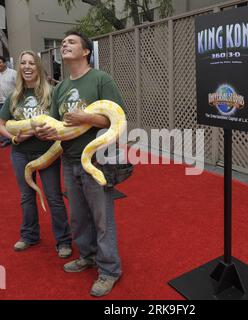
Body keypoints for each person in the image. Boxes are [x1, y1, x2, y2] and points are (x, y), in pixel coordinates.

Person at [35, 31, 125, 297]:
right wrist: (45, 132)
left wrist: (85, 118)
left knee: (102, 218)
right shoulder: (61, 87)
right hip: (69, 158)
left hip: (97, 160)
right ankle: (87, 255)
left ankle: (109, 270)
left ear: (86, 51)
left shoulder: (100, 79)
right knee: (79, 216)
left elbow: (117, 119)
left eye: (71, 42)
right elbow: (57, 123)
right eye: (63, 42)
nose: (64, 44)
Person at [0, 50, 72, 258]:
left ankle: (63, 240)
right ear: (20, 68)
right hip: (20, 154)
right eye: (23, 63)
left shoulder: (52, 93)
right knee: (26, 196)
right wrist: (14, 138)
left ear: (38, 67)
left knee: (54, 197)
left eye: (32, 63)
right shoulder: (15, 96)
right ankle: (29, 235)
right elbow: (2, 123)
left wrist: (48, 131)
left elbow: (63, 122)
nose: (27, 66)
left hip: (47, 152)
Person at [0, 56, 17, 147]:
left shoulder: (13, 73)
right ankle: (4, 137)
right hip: (0, 101)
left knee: (10, 121)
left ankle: (8, 138)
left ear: (5, 63)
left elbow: (19, 86)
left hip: (11, 101)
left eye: (0, 62)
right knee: (2, 121)